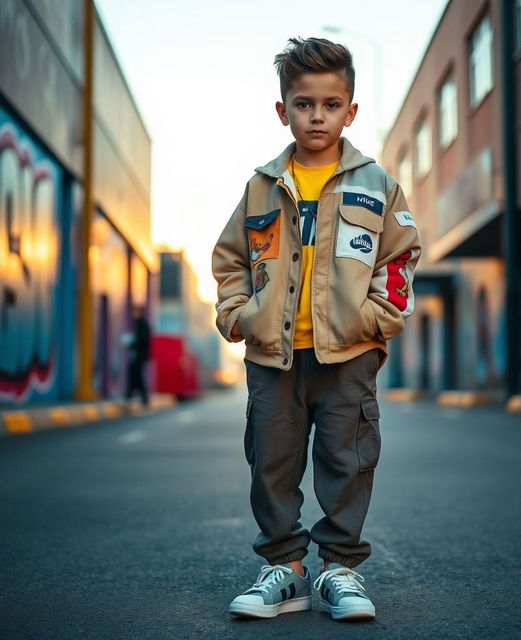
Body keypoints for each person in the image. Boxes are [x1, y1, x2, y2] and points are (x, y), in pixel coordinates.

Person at [211, 37, 421, 621]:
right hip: (273, 354)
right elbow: (230, 259)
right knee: (271, 460)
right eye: (304, 104)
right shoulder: (261, 185)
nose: (317, 116)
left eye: (331, 105)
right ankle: (286, 568)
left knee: (347, 457)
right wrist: (236, 314)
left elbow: (400, 257)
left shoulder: (377, 183)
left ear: (350, 111)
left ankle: (340, 570)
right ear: (283, 110)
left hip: (348, 351)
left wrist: (378, 316)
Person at [125, 305, 151, 407]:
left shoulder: (142, 324)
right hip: (138, 354)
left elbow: (143, 339)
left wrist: (132, 342)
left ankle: (138, 396)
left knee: (137, 375)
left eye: (135, 312)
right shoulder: (137, 324)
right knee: (134, 374)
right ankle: (131, 395)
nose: (133, 314)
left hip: (140, 355)